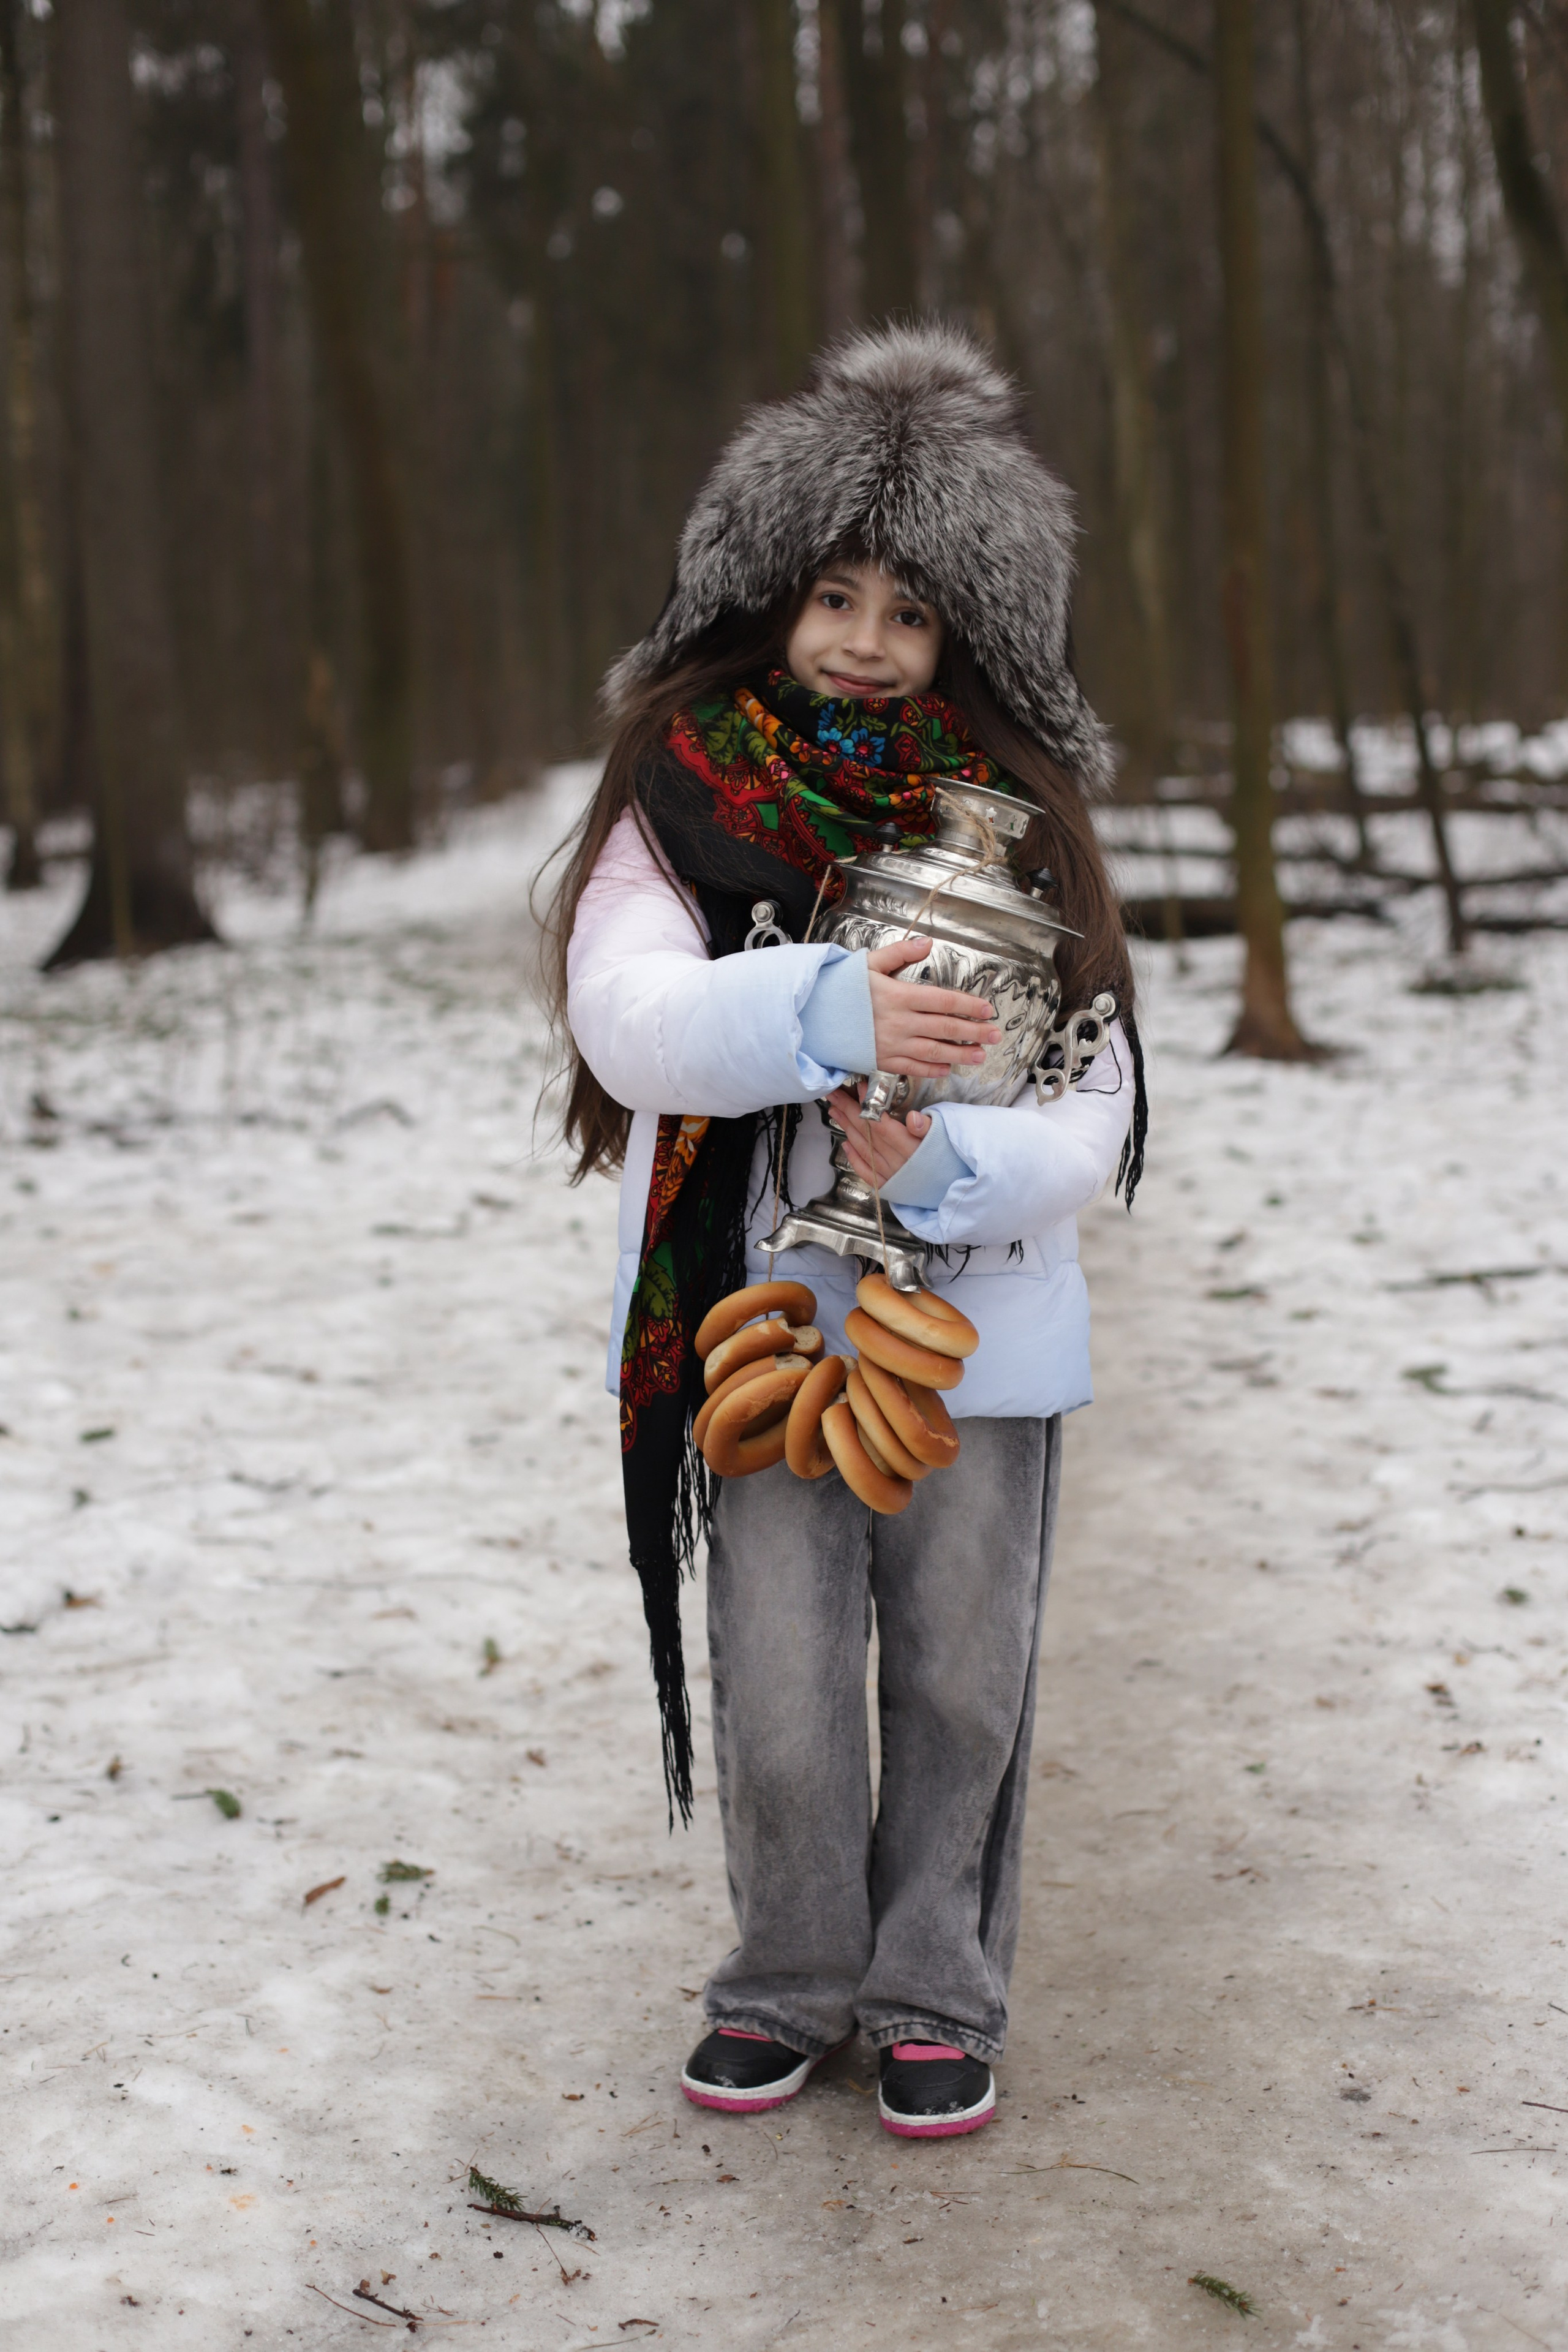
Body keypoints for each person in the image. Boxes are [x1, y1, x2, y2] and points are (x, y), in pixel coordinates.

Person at [541, 323, 1144, 2140]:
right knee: (787, 1681)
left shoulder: (1024, 832)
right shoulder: (680, 798)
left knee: (962, 1671)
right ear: (766, 596)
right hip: (766, 1319)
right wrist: (829, 1008)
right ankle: (787, 1981)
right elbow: (627, 1021)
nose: (867, 640)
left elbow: (1095, 1111)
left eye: (912, 610)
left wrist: (949, 1163)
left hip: (984, 1332)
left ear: (972, 637)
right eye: (834, 595)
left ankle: (936, 1991)